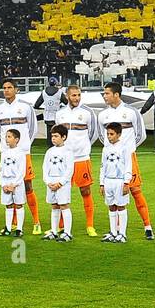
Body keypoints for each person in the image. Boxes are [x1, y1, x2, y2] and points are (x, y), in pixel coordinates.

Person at [99, 81, 154, 240]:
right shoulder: (103, 115)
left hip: (129, 158)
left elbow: (141, 135)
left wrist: (126, 150)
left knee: (136, 192)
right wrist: (113, 150)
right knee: (113, 195)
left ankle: (147, 226)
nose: (105, 96)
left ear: (116, 94)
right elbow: (103, 137)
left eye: (107, 93)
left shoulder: (131, 112)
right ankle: (115, 232)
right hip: (111, 161)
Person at [0, 78, 42, 234]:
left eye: (9, 87)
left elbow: (33, 129)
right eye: (4, 88)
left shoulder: (26, 108)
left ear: (16, 90)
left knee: (27, 186)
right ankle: (12, 224)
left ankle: (36, 222)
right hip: (6, 153)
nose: (6, 90)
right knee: (8, 184)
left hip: (23, 153)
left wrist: (23, 146)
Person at [60, 85, 100, 238]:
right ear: (67, 96)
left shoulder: (87, 113)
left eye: (78, 95)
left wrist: (83, 147)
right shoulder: (60, 114)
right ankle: (61, 225)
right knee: (63, 192)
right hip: (65, 160)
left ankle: (90, 225)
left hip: (81, 159)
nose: (76, 98)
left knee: (85, 191)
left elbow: (94, 133)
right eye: (74, 95)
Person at [99, 122, 134, 244]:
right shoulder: (106, 148)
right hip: (108, 180)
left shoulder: (124, 148)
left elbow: (128, 166)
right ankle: (113, 232)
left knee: (121, 206)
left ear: (119, 134)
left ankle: (122, 234)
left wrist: (126, 182)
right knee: (111, 206)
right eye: (108, 134)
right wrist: (101, 183)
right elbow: (102, 166)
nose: (109, 136)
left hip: (119, 181)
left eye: (111, 134)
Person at [42, 124, 74, 242]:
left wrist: (60, 183)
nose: (53, 138)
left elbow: (69, 170)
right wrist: (48, 182)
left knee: (64, 205)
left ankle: (67, 233)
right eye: (52, 136)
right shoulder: (49, 151)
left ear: (64, 137)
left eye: (56, 136)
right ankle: (54, 231)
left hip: (62, 184)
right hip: (51, 182)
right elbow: (45, 167)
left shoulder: (68, 151)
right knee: (54, 206)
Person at [0, 129, 27, 237]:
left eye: (9, 137)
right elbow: (0, 169)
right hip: (6, 182)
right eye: (6, 136)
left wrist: (14, 184)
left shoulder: (21, 153)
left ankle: (19, 229)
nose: (6, 139)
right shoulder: (4, 153)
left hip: (16, 183)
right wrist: (3, 184)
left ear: (17, 139)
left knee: (19, 205)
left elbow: (21, 171)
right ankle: (8, 228)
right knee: (8, 205)